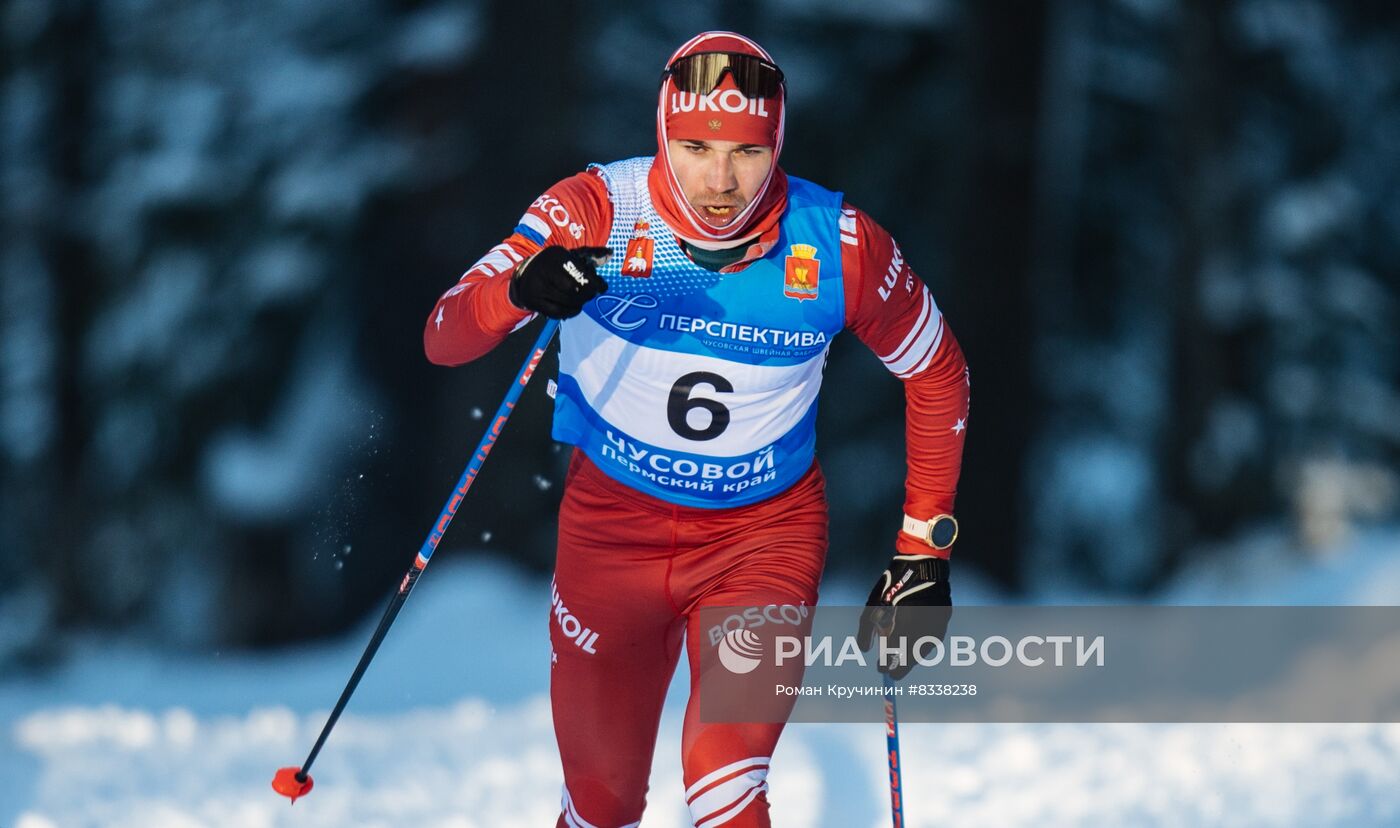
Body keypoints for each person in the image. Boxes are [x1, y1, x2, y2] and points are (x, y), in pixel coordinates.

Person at [424, 30, 969, 828]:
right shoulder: (596, 211)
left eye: (747, 153)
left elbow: (938, 371)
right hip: (611, 535)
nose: (719, 179)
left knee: (724, 781)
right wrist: (518, 289)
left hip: (762, 538)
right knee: (601, 803)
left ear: (777, 142)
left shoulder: (839, 245)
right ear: (661, 133)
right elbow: (444, 335)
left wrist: (924, 551)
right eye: (695, 147)